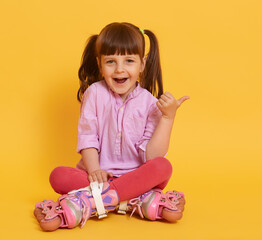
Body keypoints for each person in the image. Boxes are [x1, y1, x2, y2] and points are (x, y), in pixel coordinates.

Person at [34, 22, 188, 231]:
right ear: (99, 63)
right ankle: (135, 200)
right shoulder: (94, 94)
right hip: (97, 176)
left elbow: (152, 157)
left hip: (136, 177)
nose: (120, 69)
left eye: (129, 61)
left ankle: (92, 201)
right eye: (111, 62)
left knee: (163, 167)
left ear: (142, 64)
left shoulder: (150, 103)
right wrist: (95, 169)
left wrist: (167, 118)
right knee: (58, 175)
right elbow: (88, 136)